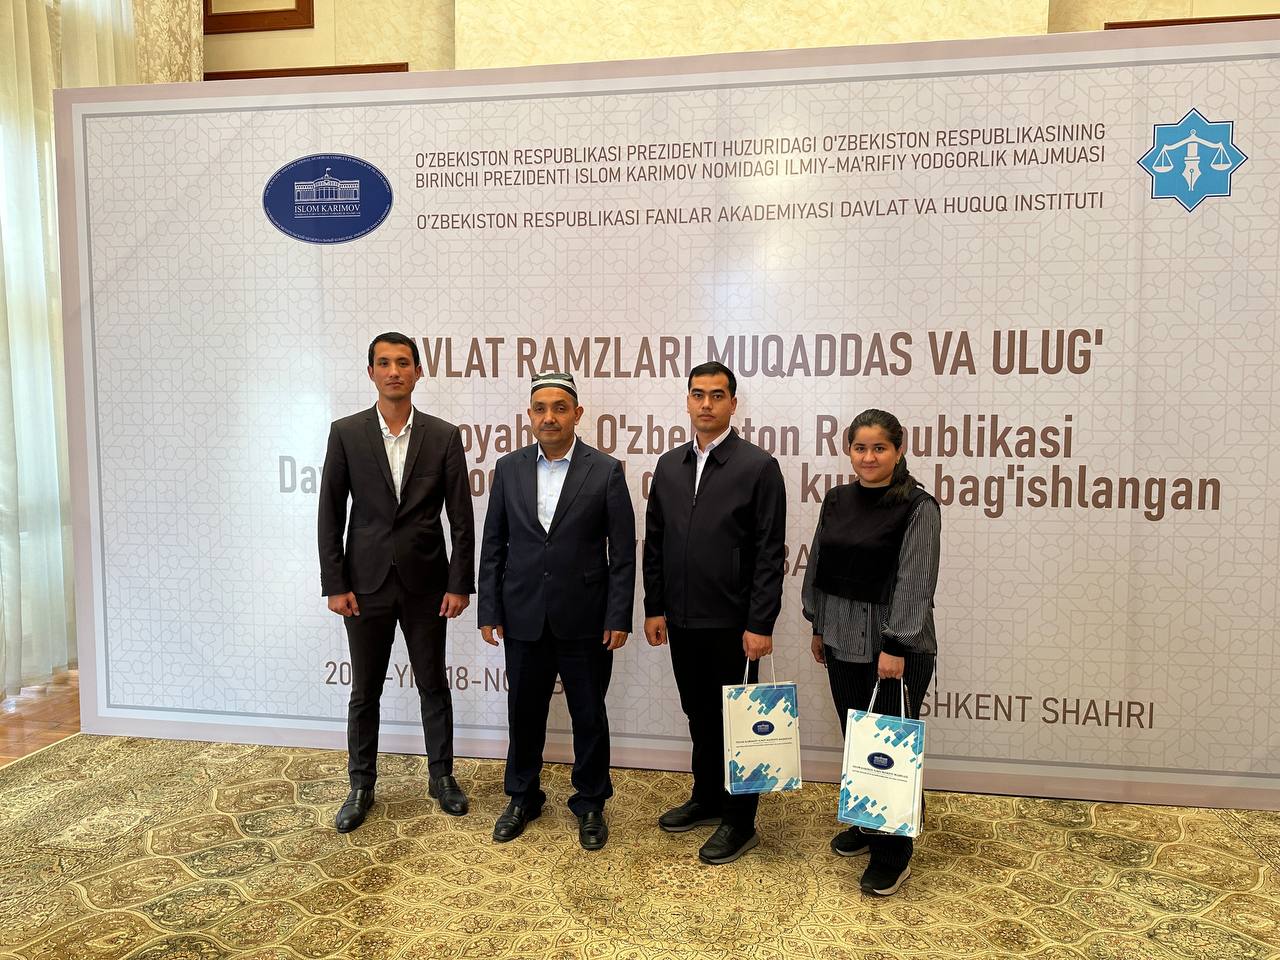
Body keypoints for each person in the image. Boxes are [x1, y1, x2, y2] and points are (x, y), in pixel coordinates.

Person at [318, 332, 476, 833]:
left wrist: (459, 584)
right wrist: (334, 583)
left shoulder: (443, 435)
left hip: (427, 584)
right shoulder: (346, 433)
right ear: (371, 373)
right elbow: (330, 513)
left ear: (417, 372)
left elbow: (462, 519)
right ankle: (360, 785)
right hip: (363, 586)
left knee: (434, 684)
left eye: (403, 363)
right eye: (384, 363)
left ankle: (442, 777)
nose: (394, 371)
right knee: (365, 691)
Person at [477, 372, 635, 850]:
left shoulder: (604, 470)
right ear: (530, 415)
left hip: (585, 617)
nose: (550, 417)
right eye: (541, 408)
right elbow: (494, 544)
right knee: (524, 713)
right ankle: (522, 796)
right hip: (522, 613)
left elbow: (622, 552)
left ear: (577, 414)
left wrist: (618, 616)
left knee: (589, 716)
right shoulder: (508, 468)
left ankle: (590, 802)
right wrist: (489, 609)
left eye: (560, 408)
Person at [643, 361, 787, 864]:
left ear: (733, 403)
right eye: (698, 394)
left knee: (739, 724)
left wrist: (760, 623)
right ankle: (706, 799)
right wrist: (654, 607)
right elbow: (655, 542)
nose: (707, 404)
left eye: (717, 395)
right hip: (681, 621)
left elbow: (770, 552)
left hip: (734, 625)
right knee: (699, 715)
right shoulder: (669, 465)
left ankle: (740, 822)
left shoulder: (758, 467)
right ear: (687, 400)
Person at [801, 408, 940, 896]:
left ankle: (892, 856)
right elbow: (820, 563)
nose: (868, 457)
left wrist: (896, 644)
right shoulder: (837, 499)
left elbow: (916, 581)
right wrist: (818, 625)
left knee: (888, 749)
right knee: (858, 742)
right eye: (860, 448)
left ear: (898, 450)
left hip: (893, 649)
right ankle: (868, 823)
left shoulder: (919, 507)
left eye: (879, 448)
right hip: (840, 640)